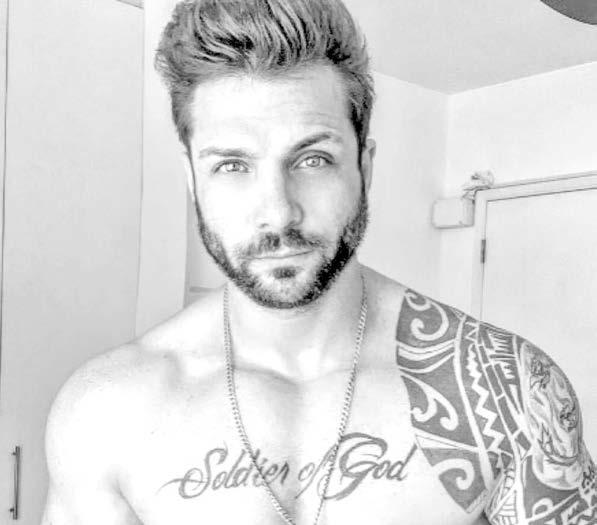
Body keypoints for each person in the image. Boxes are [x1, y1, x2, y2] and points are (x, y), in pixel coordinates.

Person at [41, 0, 597, 523]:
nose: (278, 211)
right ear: (192, 179)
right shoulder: (105, 411)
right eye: (232, 165)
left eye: (312, 158)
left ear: (364, 167)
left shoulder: (507, 390)